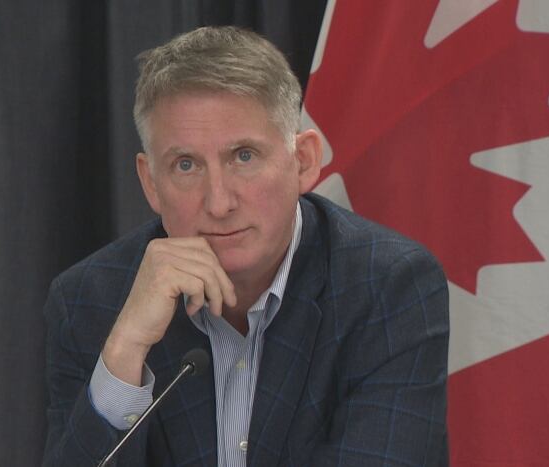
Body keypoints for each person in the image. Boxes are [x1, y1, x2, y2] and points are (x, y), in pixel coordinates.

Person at [42, 26, 449, 467]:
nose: (219, 203)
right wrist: (125, 352)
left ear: (304, 161)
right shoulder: (88, 300)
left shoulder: (388, 286)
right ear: (150, 183)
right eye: (185, 165)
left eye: (244, 156)